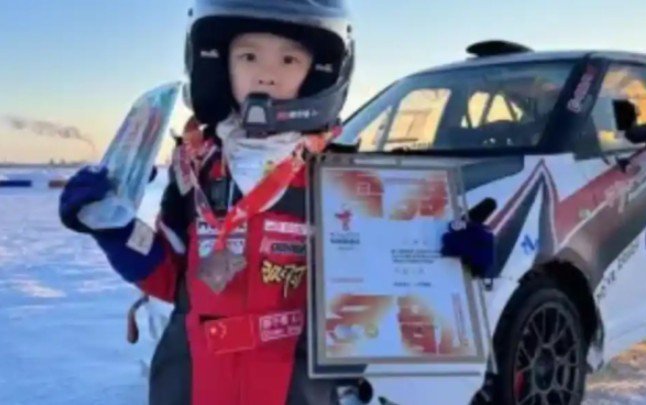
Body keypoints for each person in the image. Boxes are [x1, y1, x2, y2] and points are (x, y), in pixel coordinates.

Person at [58, 1, 495, 404]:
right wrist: (115, 231)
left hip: (296, 387)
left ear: (319, 72)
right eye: (249, 57)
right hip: (191, 384)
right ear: (219, 65)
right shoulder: (195, 169)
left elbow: (387, 289)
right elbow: (169, 278)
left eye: (289, 60)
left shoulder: (346, 180)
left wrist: (445, 263)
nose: (266, 75)